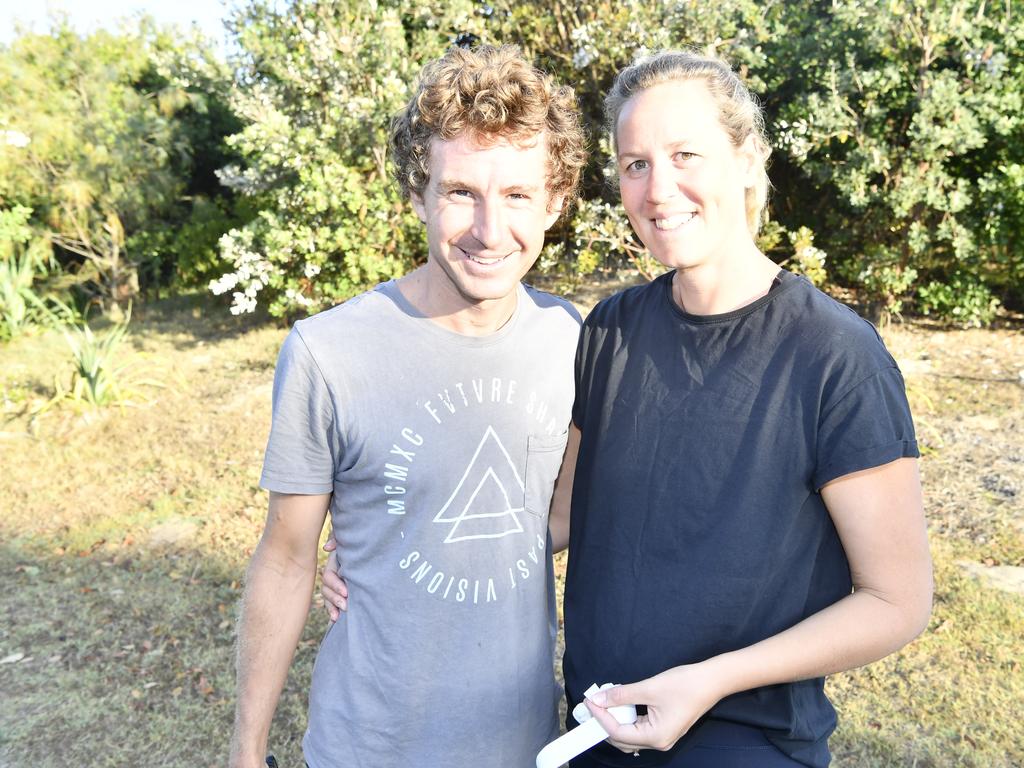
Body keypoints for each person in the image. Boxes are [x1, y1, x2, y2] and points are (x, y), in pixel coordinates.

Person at [563, 50, 933, 767]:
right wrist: (381, 545)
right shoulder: (609, 331)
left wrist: (710, 683)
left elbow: (897, 601)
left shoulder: (836, 355)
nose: (658, 187)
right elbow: (557, 515)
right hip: (595, 731)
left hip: (747, 745)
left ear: (746, 159)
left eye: (685, 154)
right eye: (635, 164)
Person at [229, 44, 586, 768]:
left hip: (526, 747)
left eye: (516, 195)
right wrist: (246, 751)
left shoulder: (573, 340)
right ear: (418, 194)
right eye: (460, 192)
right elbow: (287, 559)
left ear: (555, 199)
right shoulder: (327, 353)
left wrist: (399, 547)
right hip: (369, 745)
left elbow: (552, 521)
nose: (490, 230)